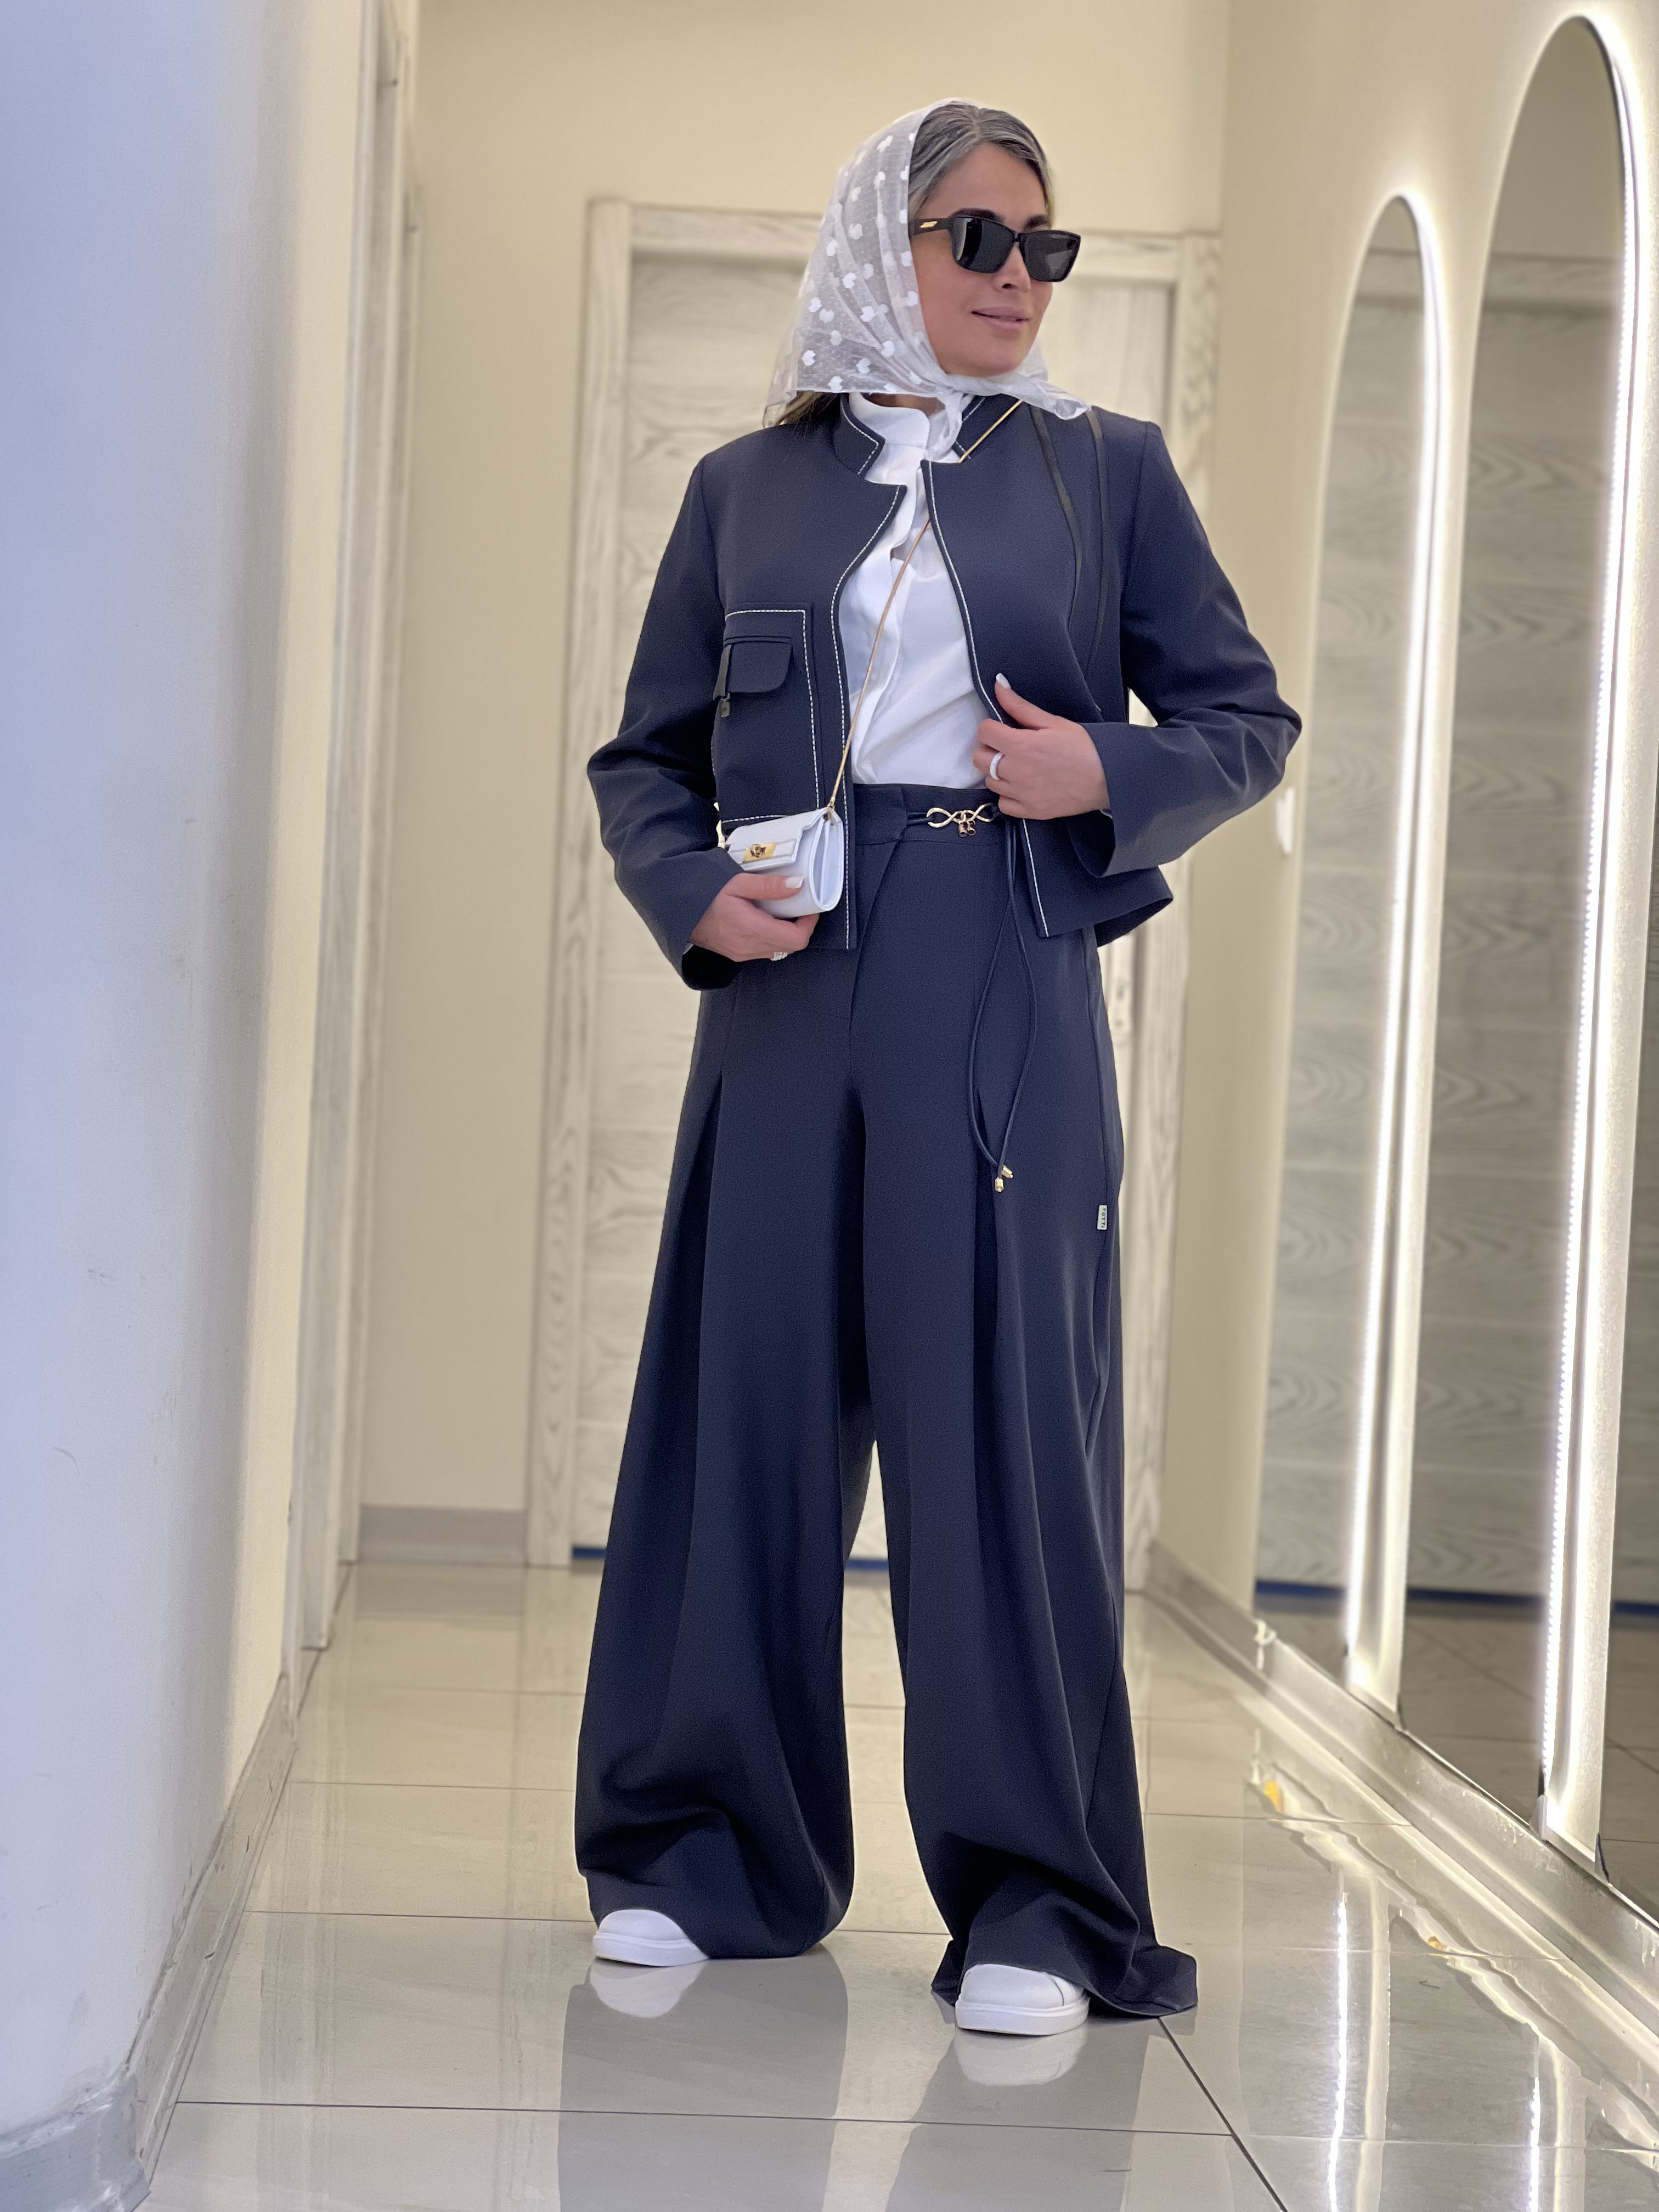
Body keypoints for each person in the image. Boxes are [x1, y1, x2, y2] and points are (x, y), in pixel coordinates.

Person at [575, 97, 1298, 2038]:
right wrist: (692, 895)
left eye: (1046, 247)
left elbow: (1244, 718)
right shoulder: (747, 487)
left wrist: (1100, 770)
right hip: (787, 985)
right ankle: (699, 1853)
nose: (1017, 277)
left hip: (1003, 975)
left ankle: (1039, 1903)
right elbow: (644, 758)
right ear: (876, 249)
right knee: (746, 1409)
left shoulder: (1104, 471)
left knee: (1001, 1435)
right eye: (977, 237)